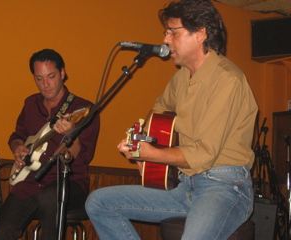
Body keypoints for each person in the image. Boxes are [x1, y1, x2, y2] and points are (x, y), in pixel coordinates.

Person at [85, 0, 258, 239]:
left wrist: (151, 154)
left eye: (172, 32)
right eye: (165, 32)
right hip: (185, 187)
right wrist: (142, 146)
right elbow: (158, 111)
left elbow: (203, 153)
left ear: (199, 33)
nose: (165, 40)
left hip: (226, 187)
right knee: (99, 202)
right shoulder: (181, 78)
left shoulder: (228, 80)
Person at [0, 49, 100, 240]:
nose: (46, 84)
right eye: (39, 78)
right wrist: (17, 147)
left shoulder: (83, 109)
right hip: (30, 182)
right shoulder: (30, 103)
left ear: (62, 73)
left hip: (68, 183)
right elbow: (17, 135)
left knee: (50, 197)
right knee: (2, 231)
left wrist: (70, 134)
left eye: (51, 76)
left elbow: (84, 156)